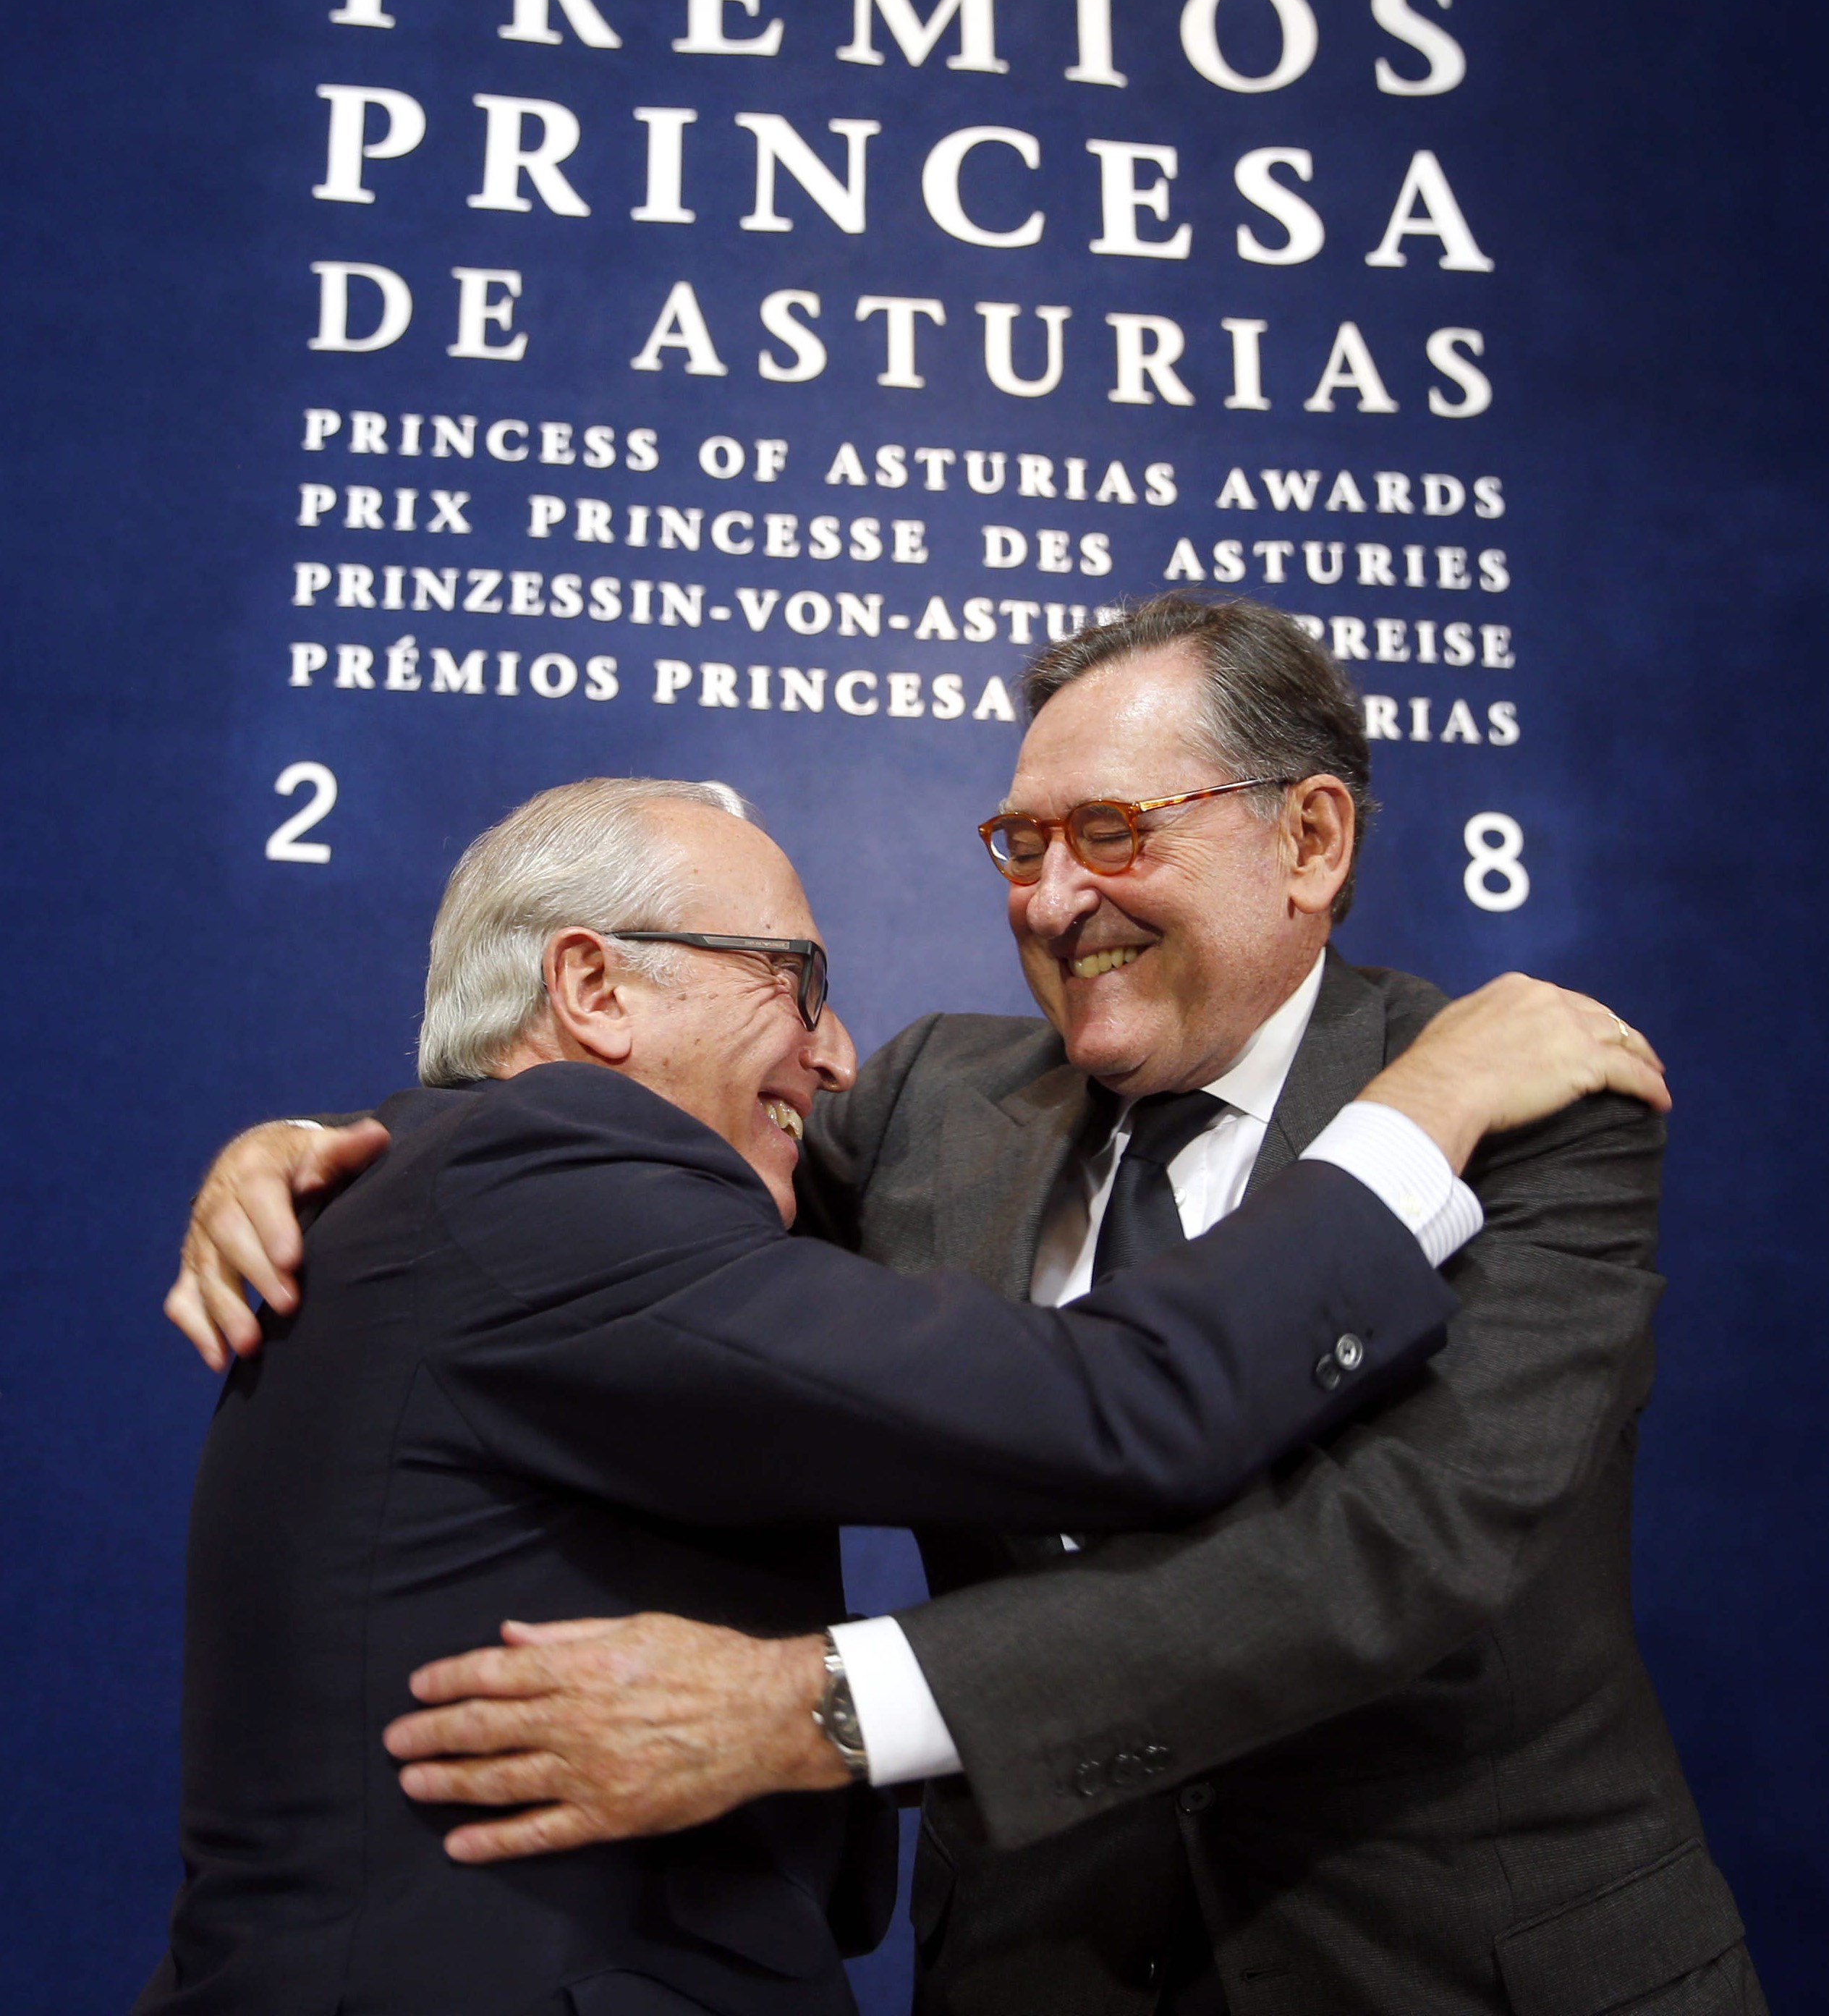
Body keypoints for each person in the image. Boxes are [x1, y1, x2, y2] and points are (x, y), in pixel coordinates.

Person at [176, 598, 1759, 2015]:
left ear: (1312, 840)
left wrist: (821, 1710)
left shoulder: (1522, 1103)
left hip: (1450, 1967)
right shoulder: (936, 1097)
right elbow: (622, 1183)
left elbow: (1375, 1564)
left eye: (1116, 831)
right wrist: (341, 1151)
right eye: (1019, 845)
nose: (1054, 900)